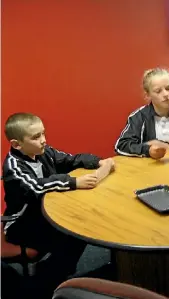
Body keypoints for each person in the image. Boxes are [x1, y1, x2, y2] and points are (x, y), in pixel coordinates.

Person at [2, 112, 115, 294]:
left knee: (79, 229)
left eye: (43, 133)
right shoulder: (13, 167)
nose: (43, 140)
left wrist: (98, 162)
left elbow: (71, 159)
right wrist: (73, 182)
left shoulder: (43, 152)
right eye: (36, 137)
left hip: (42, 215)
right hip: (21, 225)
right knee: (74, 232)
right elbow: (35, 186)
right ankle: (47, 283)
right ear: (17, 144)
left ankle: (57, 271)